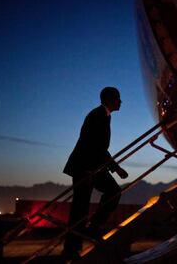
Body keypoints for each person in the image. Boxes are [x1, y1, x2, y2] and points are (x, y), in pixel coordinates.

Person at [62, 87, 128, 260]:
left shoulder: (104, 116)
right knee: (80, 208)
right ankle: (72, 248)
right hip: (86, 168)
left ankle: (89, 231)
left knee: (109, 193)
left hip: (92, 167)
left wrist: (113, 168)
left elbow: (98, 147)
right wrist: (116, 168)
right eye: (118, 98)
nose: (121, 102)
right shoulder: (98, 116)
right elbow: (96, 146)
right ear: (110, 99)